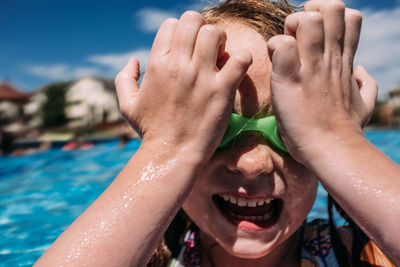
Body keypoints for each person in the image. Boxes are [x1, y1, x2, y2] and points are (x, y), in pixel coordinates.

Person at [35, 0, 400, 266]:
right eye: (214, 127)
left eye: (293, 130)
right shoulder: (147, 257)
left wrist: (338, 139)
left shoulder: (358, 254)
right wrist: (167, 150)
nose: (252, 164)